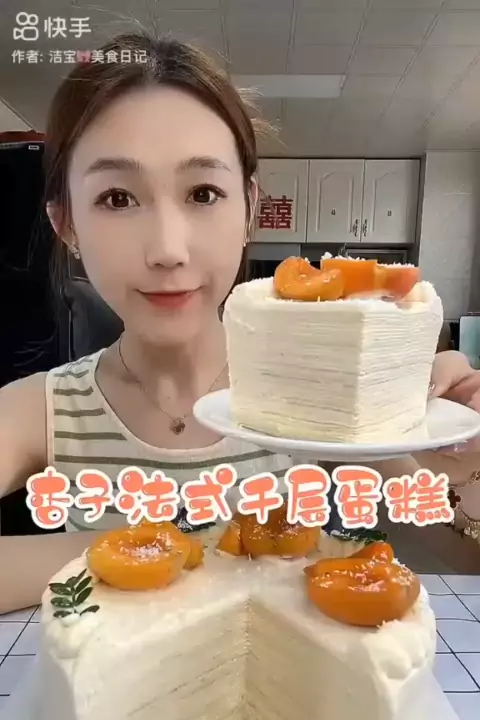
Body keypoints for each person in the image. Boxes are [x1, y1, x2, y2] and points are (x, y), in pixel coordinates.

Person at [1, 31, 480, 614]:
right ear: (66, 224)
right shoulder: (41, 409)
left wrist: (466, 472)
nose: (168, 250)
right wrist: (141, 550)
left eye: (203, 193)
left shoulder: (320, 394)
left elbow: (462, 557)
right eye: (118, 198)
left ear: (250, 206)